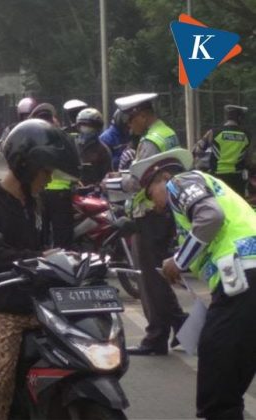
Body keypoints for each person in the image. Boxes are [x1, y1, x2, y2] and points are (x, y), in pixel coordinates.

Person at [0, 119, 81, 420]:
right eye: (46, 171)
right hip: (2, 309)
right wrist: (40, 256)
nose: (49, 178)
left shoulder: (34, 202)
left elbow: (43, 249)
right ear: (27, 166)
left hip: (40, 305)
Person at [134, 148, 256, 420]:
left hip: (245, 278)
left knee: (217, 382)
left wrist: (179, 261)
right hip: (243, 281)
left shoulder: (181, 182)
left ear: (164, 178)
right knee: (230, 375)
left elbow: (211, 217)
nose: (154, 204)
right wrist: (182, 261)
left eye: (150, 194)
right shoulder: (204, 190)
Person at [104, 92, 186, 355]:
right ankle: (181, 327)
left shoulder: (150, 141)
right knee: (157, 275)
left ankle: (156, 338)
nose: (130, 127)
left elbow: (140, 179)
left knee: (150, 281)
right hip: (163, 211)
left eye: (131, 121)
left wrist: (114, 181)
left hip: (149, 214)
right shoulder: (167, 133)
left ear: (141, 115)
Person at [31, 103, 75, 249]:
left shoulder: (32, 139)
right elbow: (73, 164)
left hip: (39, 192)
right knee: (63, 237)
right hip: (60, 193)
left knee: (40, 234)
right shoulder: (63, 138)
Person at [194, 105, 250, 196]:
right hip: (237, 179)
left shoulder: (214, 132)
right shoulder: (247, 135)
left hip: (217, 178)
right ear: (239, 118)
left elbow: (198, 150)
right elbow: (248, 158)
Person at [75, 107, 112, 186]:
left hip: (94, 191)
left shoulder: (102, 150)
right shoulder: (73, 146)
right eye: (83, 126)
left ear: (97, 128)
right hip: (74, 188)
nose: (85, 129)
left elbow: (107, 175)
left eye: (89, 127)